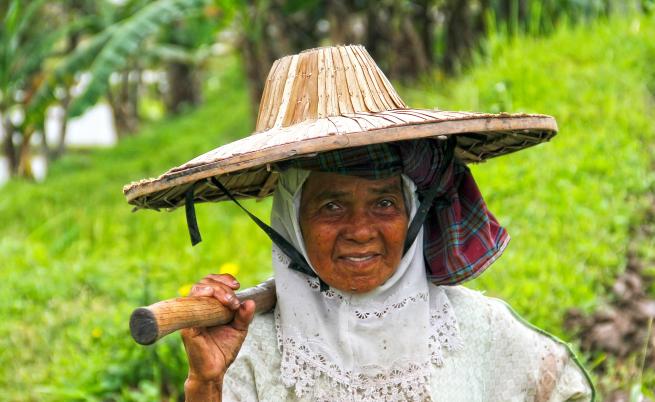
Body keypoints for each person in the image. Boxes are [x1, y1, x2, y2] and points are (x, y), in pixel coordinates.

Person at [123, 45, 594, 401]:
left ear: (413, 213)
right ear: (291, 223)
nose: (361, 230)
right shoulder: (248, 355)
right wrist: (206, 382)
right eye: (331, 207)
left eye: (385, 204)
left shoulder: (483, 333)